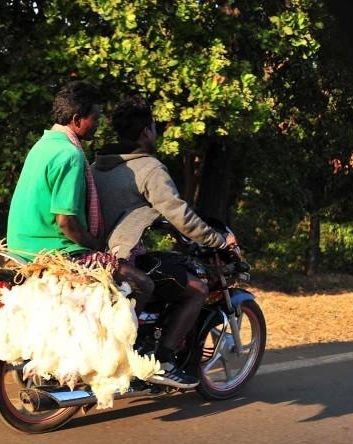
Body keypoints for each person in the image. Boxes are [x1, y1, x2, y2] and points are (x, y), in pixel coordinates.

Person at [0, 82, 153, 366]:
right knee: (143, 283)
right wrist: (97, 243)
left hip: (20, 247)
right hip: (55, 251)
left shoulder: (43, 145)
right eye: (95, 118)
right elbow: (66, 223)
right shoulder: (70, 154)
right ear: (77, 120)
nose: (98, 125)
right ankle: (123, 355)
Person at [91, 95, 237, 389]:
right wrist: (219, 240)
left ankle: (146, 339)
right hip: (122, 258)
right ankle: (165, 361)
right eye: (154, 128)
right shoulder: (150, 169)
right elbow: (181, 215)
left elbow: (127, 209)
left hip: (93, 254)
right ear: (146, 132)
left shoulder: (98, 165)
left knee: (165, 269)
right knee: (196, 287)